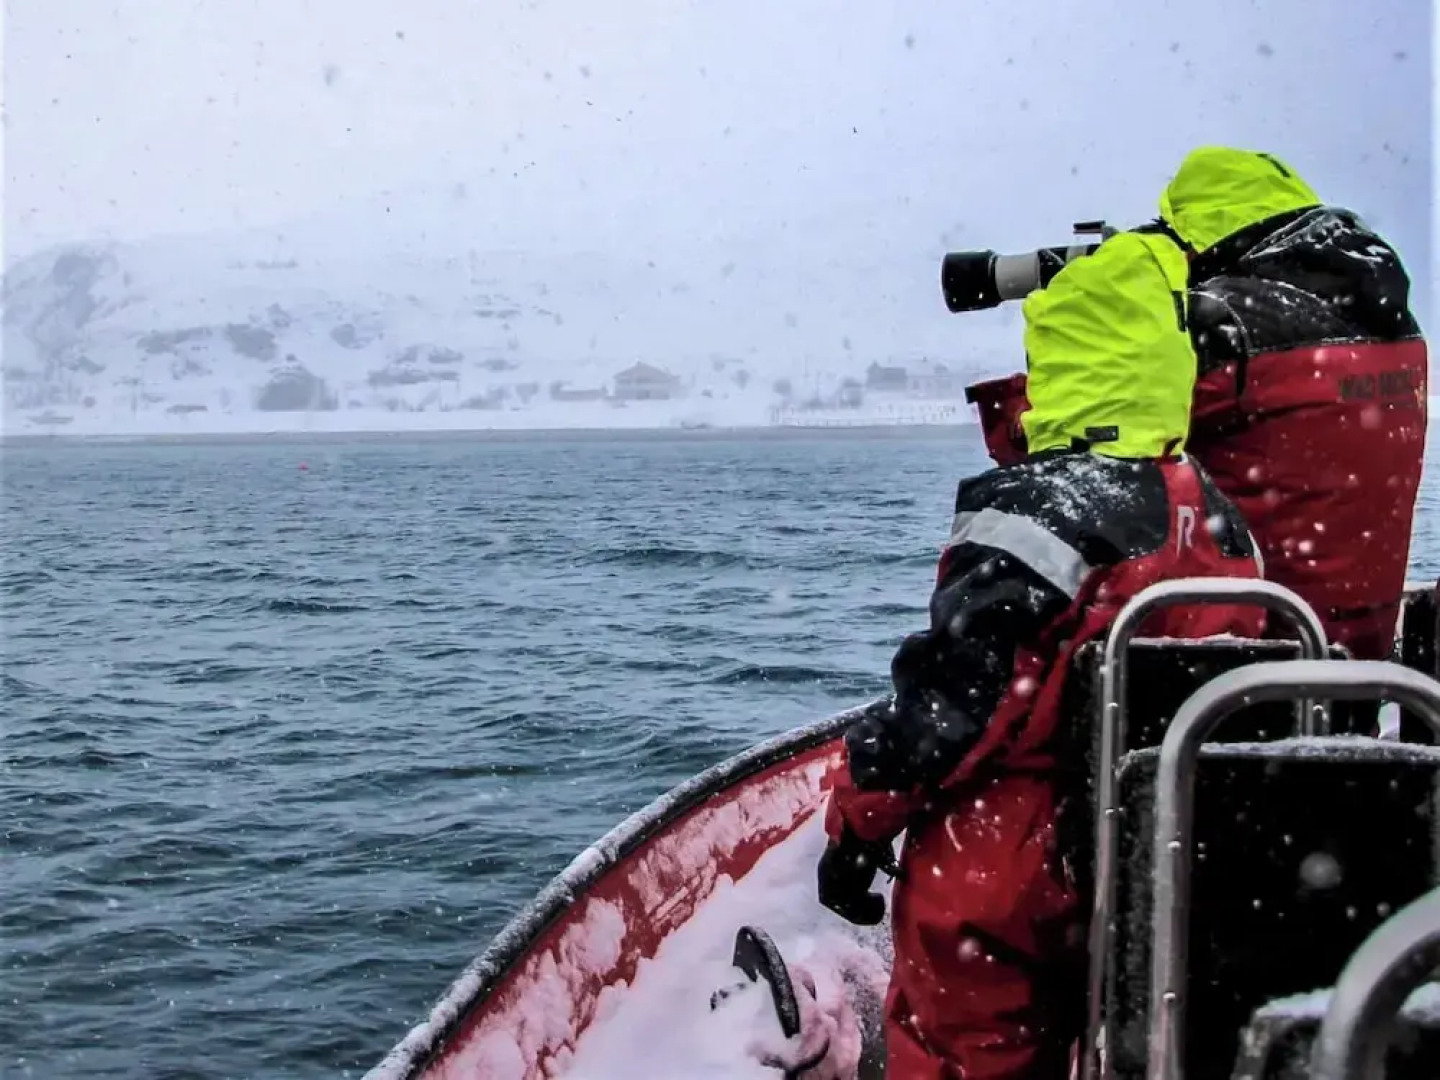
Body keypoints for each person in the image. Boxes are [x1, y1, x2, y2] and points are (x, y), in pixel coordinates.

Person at [816, 229, 1267, 1079]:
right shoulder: (1215, 513)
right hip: (1163, 847)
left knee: (964, 1049)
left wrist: (855, 818)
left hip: (1015, 860)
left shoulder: (1037, 510)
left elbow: (951, 707)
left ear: (1060, 360)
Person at [967, 146, 1429, 663]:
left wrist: (1119, 301)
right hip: (1352, 662)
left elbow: (1069, 458)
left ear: (1197, 233)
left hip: (1238, 669)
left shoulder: (1228, 330)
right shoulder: (1390, 324)